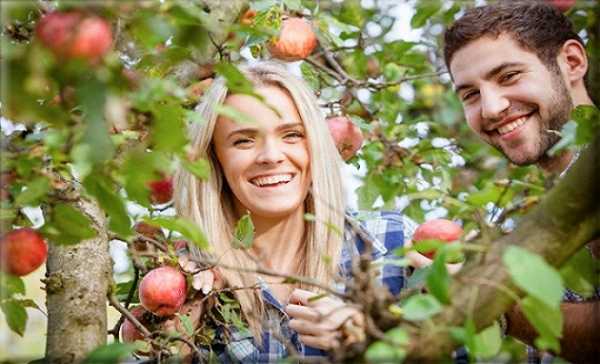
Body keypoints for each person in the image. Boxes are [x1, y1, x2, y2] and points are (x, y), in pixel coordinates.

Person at [169, 61, 414, 363]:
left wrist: (368, 341)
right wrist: (176, 345)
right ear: (214, 159)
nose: (271, 156)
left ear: (314, 145)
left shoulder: (389, 245)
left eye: (292, 135)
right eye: (244, 140)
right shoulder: (193, 282)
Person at [443, 2, 600, 363]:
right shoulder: (531, 211)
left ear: (572, 62)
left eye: (509, 76)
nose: (491, 108)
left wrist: (492, 302)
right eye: (470, 94)